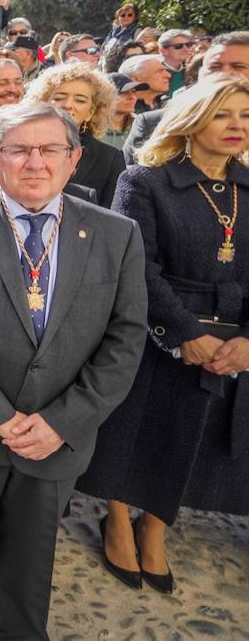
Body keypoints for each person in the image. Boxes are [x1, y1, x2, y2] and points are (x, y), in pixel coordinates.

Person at [0, 102, 147, 641]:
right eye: (18, 149)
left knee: (32, 554)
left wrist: (62, 422)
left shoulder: (116, 235)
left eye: (50, 150)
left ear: (75, 160)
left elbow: (126, 338)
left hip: (57, 434)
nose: (35, 162)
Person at [77, 76, 249, 595]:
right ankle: (116, 519)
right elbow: (138, 266)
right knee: (135, 434)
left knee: (190, 442)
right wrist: (182, 333)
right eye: (223, 114)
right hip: (160, 329)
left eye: (245, 116)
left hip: (233, 338)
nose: (236, 126)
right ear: (193, 119)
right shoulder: (145, 181)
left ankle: (154, 528)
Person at [123, 32, 249, 162]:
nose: (224, 74)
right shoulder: (154, 123)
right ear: (200, 74)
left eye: (238, 66)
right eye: (214, 67)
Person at [24, 63, 124, 207]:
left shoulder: (109, 158)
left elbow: (113, 217)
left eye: (80, 100)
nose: (68, 105)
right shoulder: (19, 147)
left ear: (91, 113)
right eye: (58, 98)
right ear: (42, 103)